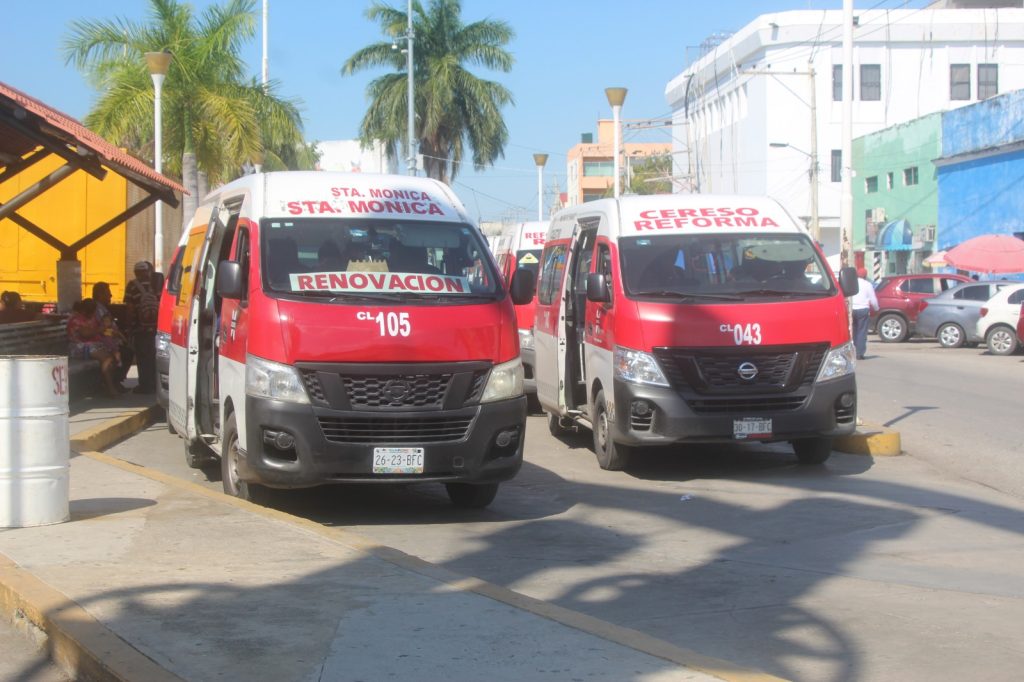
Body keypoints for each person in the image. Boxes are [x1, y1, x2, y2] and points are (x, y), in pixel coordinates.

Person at [67, 299, 122, 398]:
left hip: (93, 345)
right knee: (107, 359)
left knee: (113, 356)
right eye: (91, 311)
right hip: (79, 347)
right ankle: (110, 388)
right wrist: (100, 329)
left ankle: (107, 384)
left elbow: (101, 329)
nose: (93, 313)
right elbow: (85, 334)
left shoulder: (91, 318)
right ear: (84, 310)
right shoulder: (76, 320)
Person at [124, 261, 160, 393]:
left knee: (142, 357)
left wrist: (129, 327)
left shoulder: (132, 286)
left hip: (140, 329)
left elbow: (130, 309)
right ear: (148, 272)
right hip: (155, 328)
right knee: (154, 356)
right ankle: (155, 385)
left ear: (135, 272)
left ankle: (144, 385)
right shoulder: (156, 285)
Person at [92, 281, 133, 382]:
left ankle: (117, 381)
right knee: (125, 353)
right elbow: (103, 329)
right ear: (100, 295)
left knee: (127, 351)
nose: (110, 295)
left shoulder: (103, 308)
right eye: (107, 293)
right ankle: (115, 381)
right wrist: (115, 336)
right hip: (103, 342)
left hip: (109, 340)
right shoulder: (97, 309)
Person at [851, 267, 879, 360]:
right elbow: (873, 299)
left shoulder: (852, 283)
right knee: (862, 332)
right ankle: (859, 353)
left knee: (853, 331)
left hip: (852, 309)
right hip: (863, 310)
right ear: (865, 275)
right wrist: (876, 308)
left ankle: (852, 352)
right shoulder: (868, 284)